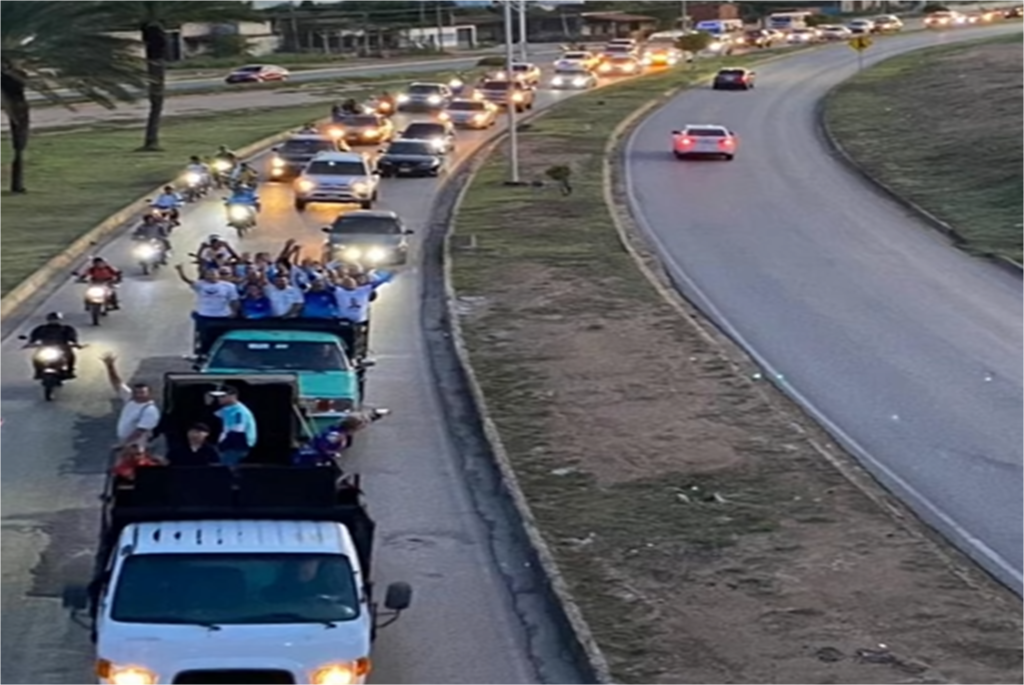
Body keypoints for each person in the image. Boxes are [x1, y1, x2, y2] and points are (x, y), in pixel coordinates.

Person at [101, 353, 162, 451]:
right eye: (136, 392)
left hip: (138, 446)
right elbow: (117, 383)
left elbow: (140, 431)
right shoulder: (130, 399)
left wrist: (124, 444)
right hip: (126, 442)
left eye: (142, 393)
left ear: (150, 394)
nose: (138, 395)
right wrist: (110, 366)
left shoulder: (150, 410)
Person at [175, 265, 240, 351]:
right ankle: (204, 353)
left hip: (222, 316)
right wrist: (180, 271)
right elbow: (187, 280)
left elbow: (234, 300)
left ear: (218, 275)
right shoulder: (200, 284)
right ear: (205, 276)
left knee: (221, 337)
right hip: (205, 315)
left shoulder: (229, 286)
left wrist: (234, 311)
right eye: (209, 274)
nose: (211, 276)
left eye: (214, 274)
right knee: (205, 338)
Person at [211, 386, 257, 466]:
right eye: (218, 397)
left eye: (222, 396)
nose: (219, 399)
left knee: (227, 470)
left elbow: (238, 432)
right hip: (227, 446)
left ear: (233, 396)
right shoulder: (226, 409)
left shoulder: (240, 412)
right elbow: (213, 416)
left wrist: (221, 446)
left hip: (237, 447)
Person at [24, 312, 79, 378]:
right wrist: (31, 343)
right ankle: (38, 371)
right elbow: (34, 337)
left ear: (59, 320)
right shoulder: (41, 329)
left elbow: (72, 337)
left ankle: (70, 370)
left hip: (62, 347)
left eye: (55, 319)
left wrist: (74, 343)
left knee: (70, 355)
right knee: (36, 357)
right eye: (52, 319)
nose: (53, 321)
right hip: (45, 347)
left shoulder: (66, 329)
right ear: (48, 320)